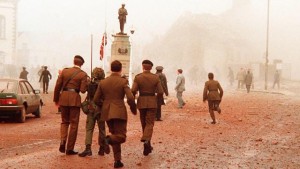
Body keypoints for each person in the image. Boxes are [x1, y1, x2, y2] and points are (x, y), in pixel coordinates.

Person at [93, 60, 136, 168]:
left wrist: (105, 105)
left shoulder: (103, 82)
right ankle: (106, 140)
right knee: (121, 136)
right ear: (121, 69)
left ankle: (117, 161)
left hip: (107, 112)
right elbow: (130, 97)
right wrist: (133, 108)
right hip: (119, 111)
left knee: (115, 134)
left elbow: (96, 99)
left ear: (111, 69)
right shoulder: (123, 81)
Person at [53, 55, 88, 155]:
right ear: (81, 64)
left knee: (64, 122)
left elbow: (57, 86)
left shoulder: (65, 71)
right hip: (74, 100)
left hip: (63, 99)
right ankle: (69, 148)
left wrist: (56, 100)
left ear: (74, 62)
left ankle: (62, 141)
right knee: (74, 124)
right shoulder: (82, 74)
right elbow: (82, 90)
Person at [131, 60, 164, 156]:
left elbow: (133, 90)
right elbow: (160, 91)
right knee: (150, 123)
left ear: (142, 67)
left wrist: (134, 97)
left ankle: (147, 144)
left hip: (141, 102)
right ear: (151, 68)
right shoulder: (155, 77)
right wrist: (155, 99)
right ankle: (147, 142)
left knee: (144, 124)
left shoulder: (138, 77)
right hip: (152, 102)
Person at [79, 67, 110, 157]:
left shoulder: (90, 84)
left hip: (91, 108)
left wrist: (89, 81)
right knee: (102, 129)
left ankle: (88, 149)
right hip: (101, 109)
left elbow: (84, 90)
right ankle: (102, 148)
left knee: (89, 129)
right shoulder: (105, 84)